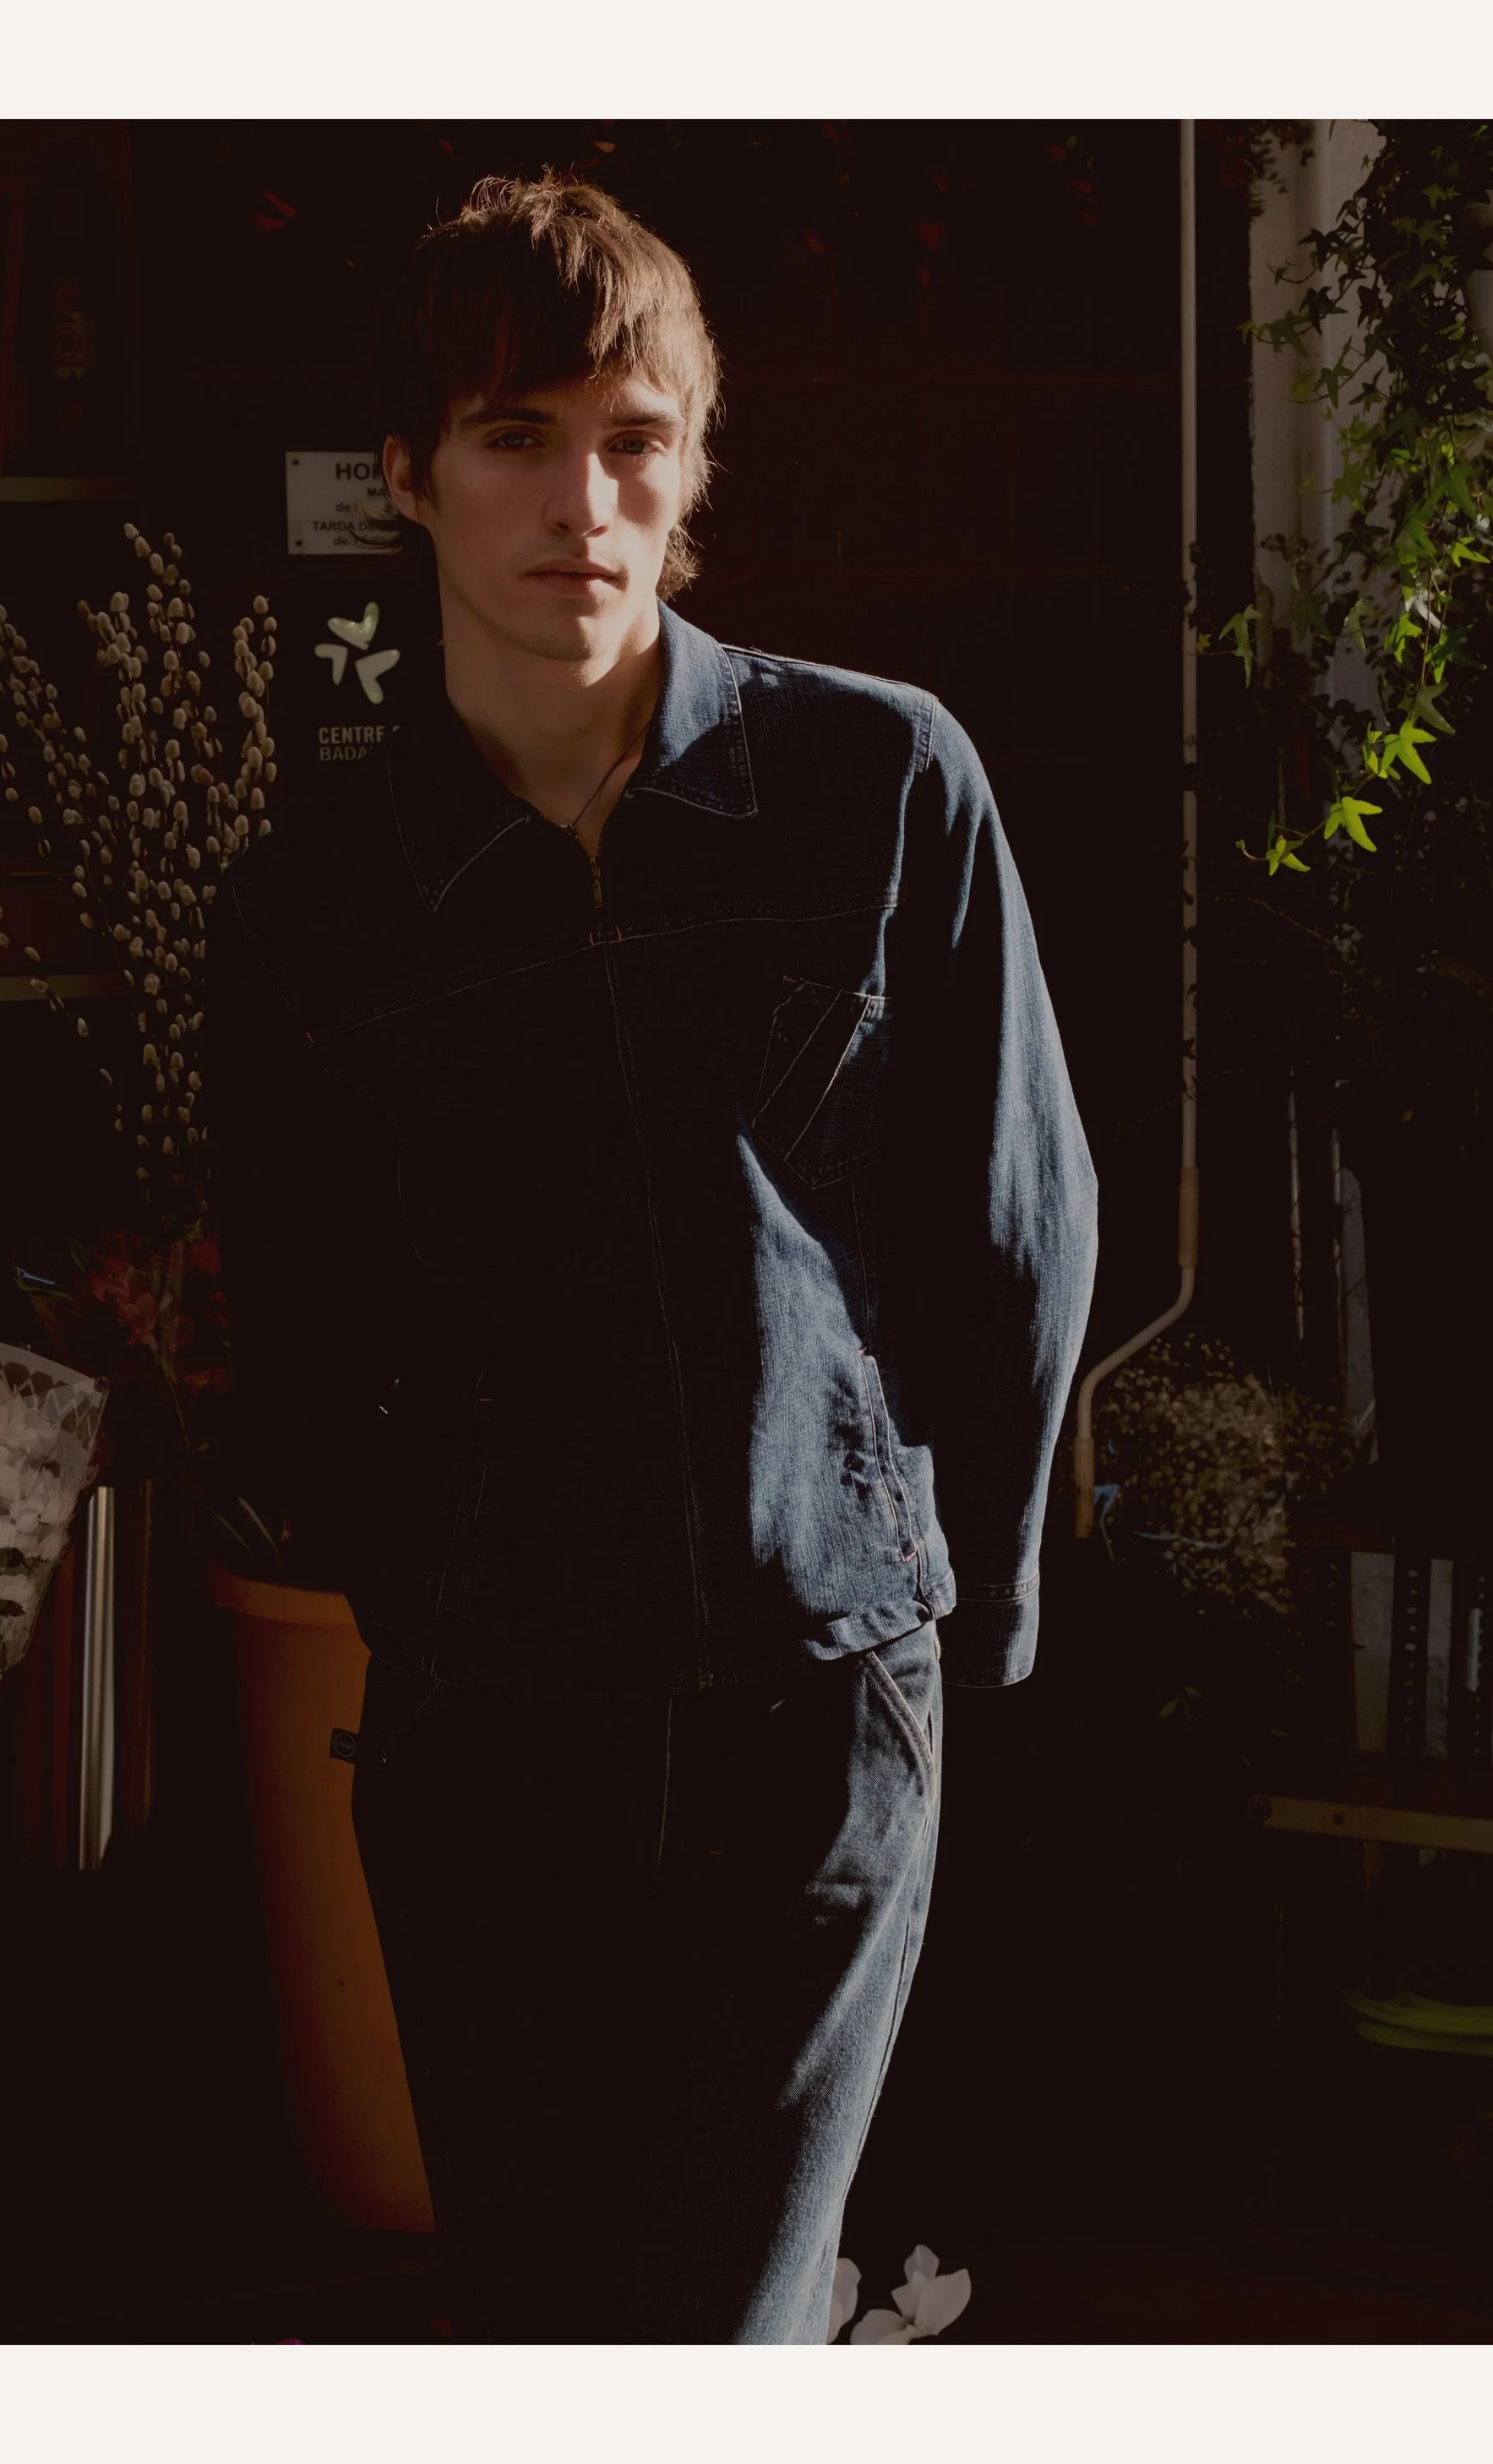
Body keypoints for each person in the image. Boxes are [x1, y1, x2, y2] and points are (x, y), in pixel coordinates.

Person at [202, 173, 1098, 2344]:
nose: (577, 502)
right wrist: (437, 1593)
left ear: (693, 466)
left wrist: (937, 1613)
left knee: (718, 2326)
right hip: (490, 1735)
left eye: (630, 439)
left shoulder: (877, 785)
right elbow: (304, 1323)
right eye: (514, 437)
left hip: (818, 1705)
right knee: (539, 2323)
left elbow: (1017, 1226)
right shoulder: (318, 900)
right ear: (405, 476)